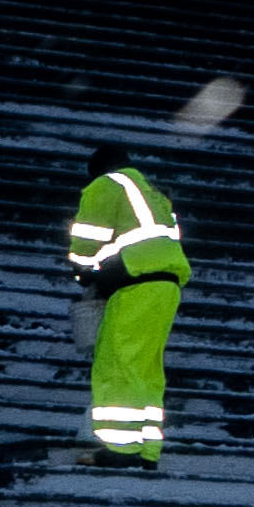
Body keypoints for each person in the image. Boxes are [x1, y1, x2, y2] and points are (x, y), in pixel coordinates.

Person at [64, 151, 187, 462]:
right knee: (147, 369)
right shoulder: (152, 192)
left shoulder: (107, 185)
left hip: (134, 283)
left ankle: (121, 448)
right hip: (166, 286)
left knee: (118, 363)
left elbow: (87, 239)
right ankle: (147, 449)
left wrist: (83, 271)